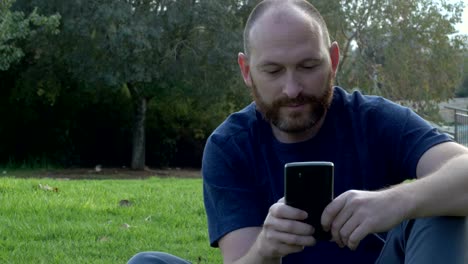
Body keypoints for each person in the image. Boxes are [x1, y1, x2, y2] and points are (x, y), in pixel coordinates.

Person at [128, 0, 467, 263]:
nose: (292, 89)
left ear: (333, 60)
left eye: (308, 66)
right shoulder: (230, 146)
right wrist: (266, 250)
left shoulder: (374, 120)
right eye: (273, 71)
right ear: (247, 71)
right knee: (148, 262)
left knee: (442, 206)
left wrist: (394, 202)